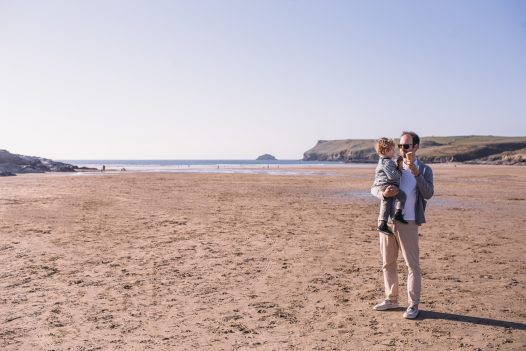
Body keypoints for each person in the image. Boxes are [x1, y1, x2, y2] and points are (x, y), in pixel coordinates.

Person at [370, 131, 434, 319]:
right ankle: (391, 299)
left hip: (409, 222)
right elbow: (373, 187)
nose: (402, 149)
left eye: (406, 146)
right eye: (400, 146)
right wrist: (383, 194)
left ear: (415, 147)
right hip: (389, 222)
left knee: (412, 266)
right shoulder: (391, 164)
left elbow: (428, 193)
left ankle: (413, 305)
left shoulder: (424, 169)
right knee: (388, 263)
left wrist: (415, 171)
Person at [372, 137, 407, 235]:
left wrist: (396, 165)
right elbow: (393, 176)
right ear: (386, 151)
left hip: (384, 184)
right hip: (386, 185)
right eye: (393, 150)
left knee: (387, 203)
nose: (394, 152)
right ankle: (397, 214)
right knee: (401, 196)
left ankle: (385, 222)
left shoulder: (384, 161)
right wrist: (399, 167)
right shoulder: (387, 162)